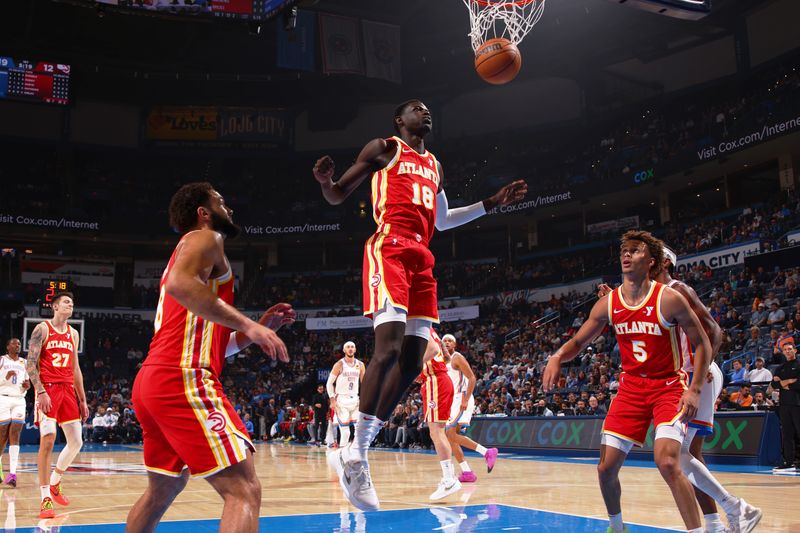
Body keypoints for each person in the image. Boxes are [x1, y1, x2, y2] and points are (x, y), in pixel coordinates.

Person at [315, 99, 526, 511]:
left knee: (412, 362)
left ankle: (357, 450)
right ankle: (356, 453)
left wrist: (491, 203)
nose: (425, 112)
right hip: (389, 247)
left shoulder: (436, 165)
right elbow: (339, 194)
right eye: (416, 108)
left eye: (429, 109)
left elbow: (444, 221)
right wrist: (325, 181)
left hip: (423, 257)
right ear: (400, 120)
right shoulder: (385, 148)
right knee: (389, 349)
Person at [125, 182, 294, 533]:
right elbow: (178, 284)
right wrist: (252, 324)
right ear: (203, 213)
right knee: (243, 489)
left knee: (163, 489)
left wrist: (254, 330)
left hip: (152, 380)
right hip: (181, 376)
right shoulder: (206, 238)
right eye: (221, 201)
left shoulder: (190, 252)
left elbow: (216, 346)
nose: (228, 207)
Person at [543, 230, 712, 533]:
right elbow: (579, 342)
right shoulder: (609, 303)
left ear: (651, 261)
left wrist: (695, 389)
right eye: (624, 250)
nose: (626, 254)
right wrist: (556, 357)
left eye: (634, 250)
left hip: (668, 387)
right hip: (632, 387)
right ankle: (617, 527)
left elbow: (703, 343)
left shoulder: (669, 299)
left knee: (669, 462)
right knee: (606, 469)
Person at [25, 293, 89, 519]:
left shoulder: (73, 333)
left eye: (72, 302)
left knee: (76, 442)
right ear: (54, 307)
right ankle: (45, 499)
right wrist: (40, 391)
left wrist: (82, 399)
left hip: (68, 390)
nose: (70, 305)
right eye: (66, 302)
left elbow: (75, 369)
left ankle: (55, 482)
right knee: (49, 438)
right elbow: (30, 363)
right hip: (48, 390)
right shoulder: (41, 329)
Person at [441, 334, 498, 483]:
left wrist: (465, 399)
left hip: (462, 398)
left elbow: (472, 378)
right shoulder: (442, 362)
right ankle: (467, 472)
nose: (446, 343)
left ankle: (487, 452)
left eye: (449, 341)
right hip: (452, 401)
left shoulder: (457, 358)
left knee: (450, 434)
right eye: (444, 341)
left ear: (454, 345)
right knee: (451, 437)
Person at [417, 329, 459, 500]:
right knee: (437, 431)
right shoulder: (429, 328)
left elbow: (434, 350)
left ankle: (449, 480)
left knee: (436, 432)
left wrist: (415, 366)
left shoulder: (418, 326)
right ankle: (449, 478)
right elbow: (446, 357)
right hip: (435, 380)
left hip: (436, 381)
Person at [0, 338, 29, 487]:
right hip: (3, 398)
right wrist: (5, 377)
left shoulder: (24, 362)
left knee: (15, 433)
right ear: (7, 346)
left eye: (18, 344)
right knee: (3, 433)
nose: (17, 345)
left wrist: (26, 385)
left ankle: (12, 474)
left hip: (19, 399)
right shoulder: (2, 360)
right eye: (14, 343)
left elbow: (27, 382)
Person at [326, 341, 365, 448]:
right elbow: (329, 383)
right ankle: (342, 454)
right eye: (348, 347)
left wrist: (364, 399)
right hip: (341, 400)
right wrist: (332, 399)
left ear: (355, 349)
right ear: (344, 350)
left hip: (355, 399)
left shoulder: (360, 365)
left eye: (352, 346)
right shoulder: (339, 364)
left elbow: (364, 384)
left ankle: (356, 454)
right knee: (346, 432)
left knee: (359, 430)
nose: (350, 348)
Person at [769, 339, 800, 472]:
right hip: (784, 405)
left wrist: (783, 383)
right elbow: (773, 385)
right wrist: (788, 382)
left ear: (795, 350)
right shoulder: (780, 368)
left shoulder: (799, 365)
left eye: (790, 349)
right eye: (785, 350)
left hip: (798, 403)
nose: (788, 352)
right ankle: (789, 462)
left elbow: (799, 384)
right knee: (787, 434)